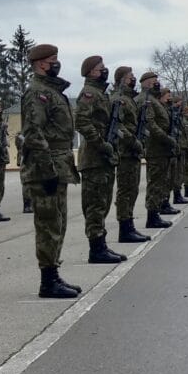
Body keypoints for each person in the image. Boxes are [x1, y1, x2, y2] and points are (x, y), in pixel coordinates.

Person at [21, 44, 82, 298]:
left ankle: (53, 274)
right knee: (48, 225)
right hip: (45, 167)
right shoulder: (37, 93)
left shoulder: (51, 91)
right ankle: (48, 281)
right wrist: (46, 170)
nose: (57, 63)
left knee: (58, 222)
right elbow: (34, 133)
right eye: (53, 60)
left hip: (59, 164)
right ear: (41, 64)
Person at [74, 56, 126, 264]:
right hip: (94, 158)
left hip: (104, 157)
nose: (105, 70)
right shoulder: (89, 94)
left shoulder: (101, 94)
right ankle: (96, 249)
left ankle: (101, 245)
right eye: (101, 68)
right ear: (92, 72)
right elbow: (82, 122)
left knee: (102, 204)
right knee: (95, 206)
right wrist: (101, 143)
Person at [111, 67, 149, 245]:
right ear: (122, 79)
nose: (134, 78)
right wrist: (133, 141)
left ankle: (129, 225)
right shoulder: (120, 100)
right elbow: (118, 126)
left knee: (133, 189)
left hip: (133, 151)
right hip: (125, 152)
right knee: (126, 190)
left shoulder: (130, 99)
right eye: (130, 76)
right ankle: (124, 228)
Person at [139, 74, 174, 229]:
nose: (157, 84)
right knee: (155, 183)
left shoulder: (153, 100)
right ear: (147, 83)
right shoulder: (146, 100)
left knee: (160, 183)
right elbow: (151, 125)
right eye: (154, 82)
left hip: (161, 148)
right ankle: (152, 217)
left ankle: (155, 214)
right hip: (155, 148)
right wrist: (167, 139)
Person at [16, 131, 33, 213]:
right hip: (27, 159)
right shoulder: (22, 136)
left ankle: (30, 204)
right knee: (26, 182)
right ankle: (27, 205)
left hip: (32, 158)